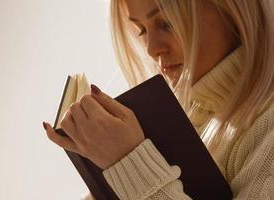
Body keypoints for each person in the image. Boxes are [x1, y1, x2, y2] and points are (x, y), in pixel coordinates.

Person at [43, 0, 274, 199]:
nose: (151, 49)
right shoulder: (175, 122)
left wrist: (130, 163)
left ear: (231, 9)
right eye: (141, 30)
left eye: (167, 23)